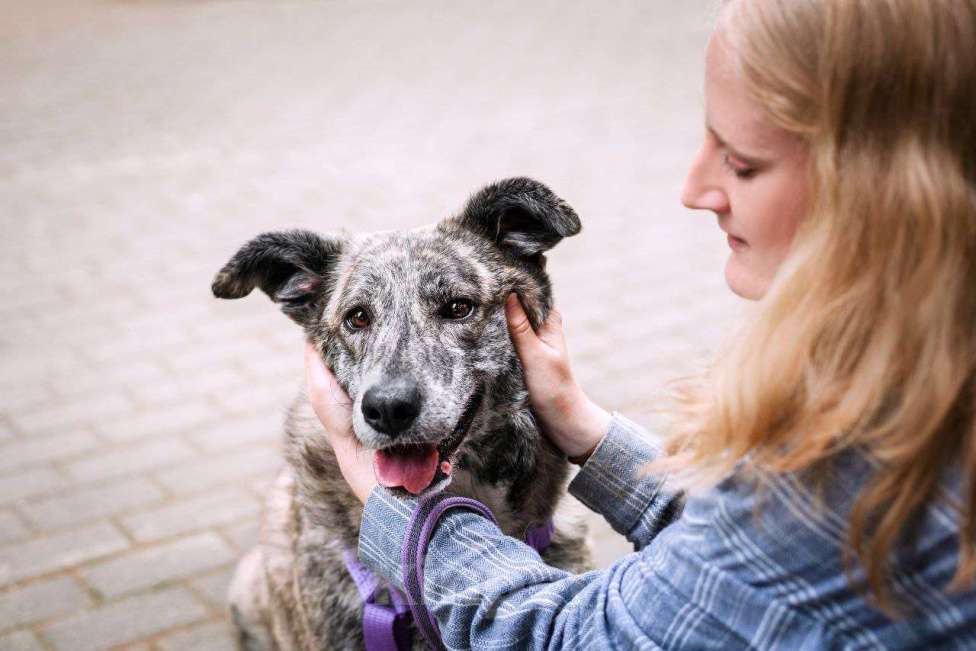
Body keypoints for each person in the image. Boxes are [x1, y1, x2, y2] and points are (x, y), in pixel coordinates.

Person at [304, 0, 976, 647]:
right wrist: (584, 428)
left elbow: (574, 637)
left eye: (742, 161)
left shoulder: (849, 455)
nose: (693, 188)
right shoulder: (925, 386)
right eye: (705, 140)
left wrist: (394, 506)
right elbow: (738, 568)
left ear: (883, 188)